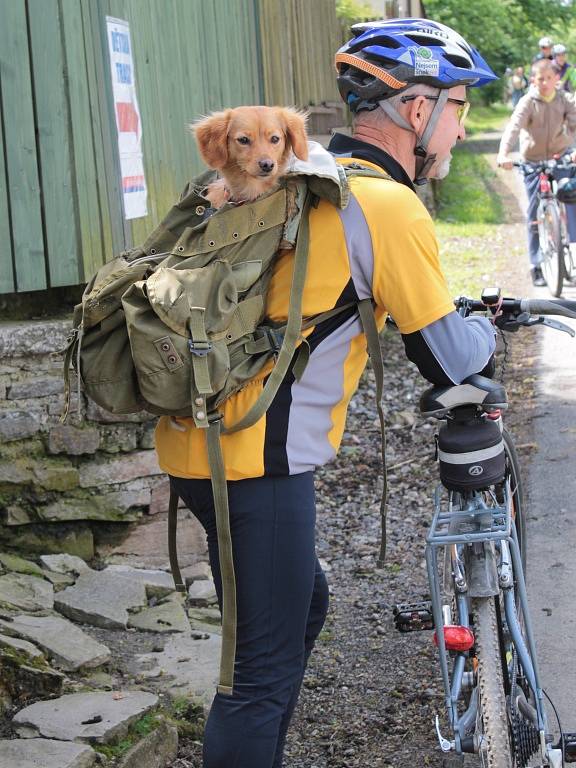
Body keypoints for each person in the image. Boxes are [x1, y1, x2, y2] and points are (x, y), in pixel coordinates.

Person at [154, 18, 498, 768]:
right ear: (417, 111)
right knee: (256, 676)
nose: (460, 124)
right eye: (460, 107)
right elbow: (447, 357)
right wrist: (486, 331)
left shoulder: (301, 181)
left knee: (300, 607)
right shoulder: (383, 204)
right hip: (257, 464)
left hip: (198, 444)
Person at [497, 58, 576, 286]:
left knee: (570, 196)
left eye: (549, 78)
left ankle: (567, 244)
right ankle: (536, 264)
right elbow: (513, 128)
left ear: (556, 79)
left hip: (560, 155)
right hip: (532, 160)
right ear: (533, 80)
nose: (544, 83)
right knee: (533, 212)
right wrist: (503, 154)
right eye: (540, 79)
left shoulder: (565, 99)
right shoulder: (527, 102)